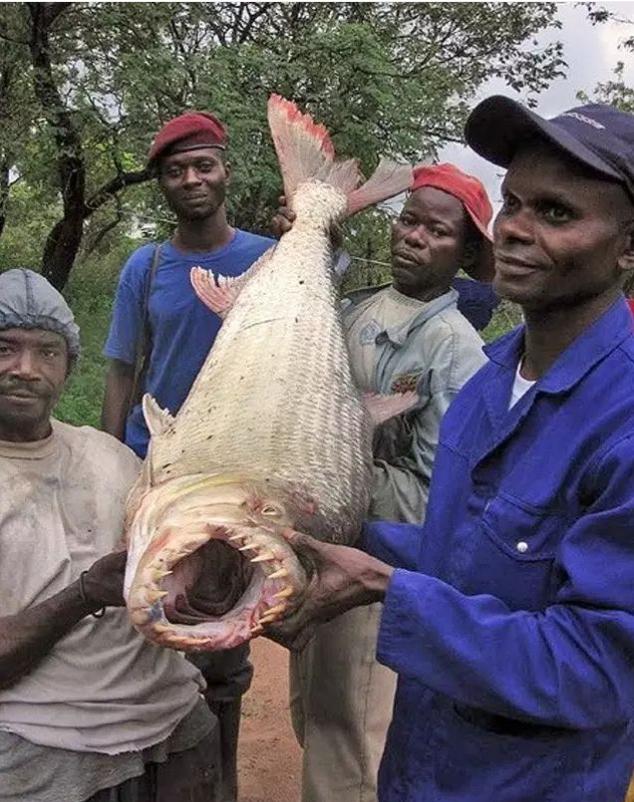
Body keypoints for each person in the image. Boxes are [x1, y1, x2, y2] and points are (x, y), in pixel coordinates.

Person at [267, 98, 634, 802]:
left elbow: (596, 670)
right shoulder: (491, 383)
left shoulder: (622, 424)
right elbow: (462, 554)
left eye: (557, 214)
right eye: (514, 204)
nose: (518, 231)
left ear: (628, 247)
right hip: (420, 767)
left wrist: (384, 589)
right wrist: (320, 536)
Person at [275, 164, 494, 802]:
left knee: (355, 736)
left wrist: (334, 476)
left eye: (438, 231)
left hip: (373, 567)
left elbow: (437, 495)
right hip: (322, 546)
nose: (415, 238)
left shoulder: (456, 350)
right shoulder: (361, 309)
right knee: (314, 712)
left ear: (466, 253)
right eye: (409, 220)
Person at [101, 111, 274, 802]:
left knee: (222, 640)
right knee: (148, 623)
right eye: (177, 171)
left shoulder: (270, 258)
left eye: (203, 165)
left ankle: (221, 782)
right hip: (160, 474)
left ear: (226, 170)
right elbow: (121, 368)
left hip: (234, 479)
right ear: (163, 185)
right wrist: (113, 461)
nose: (192, 179)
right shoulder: (145, 268)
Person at [0, 268, 221, 802]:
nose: (26, 369)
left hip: (172, 725)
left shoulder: (113, 457)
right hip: (40, 743)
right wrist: (84, 595)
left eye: (48, 353)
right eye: (5, 349)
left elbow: (182, 586)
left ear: (69, 368)